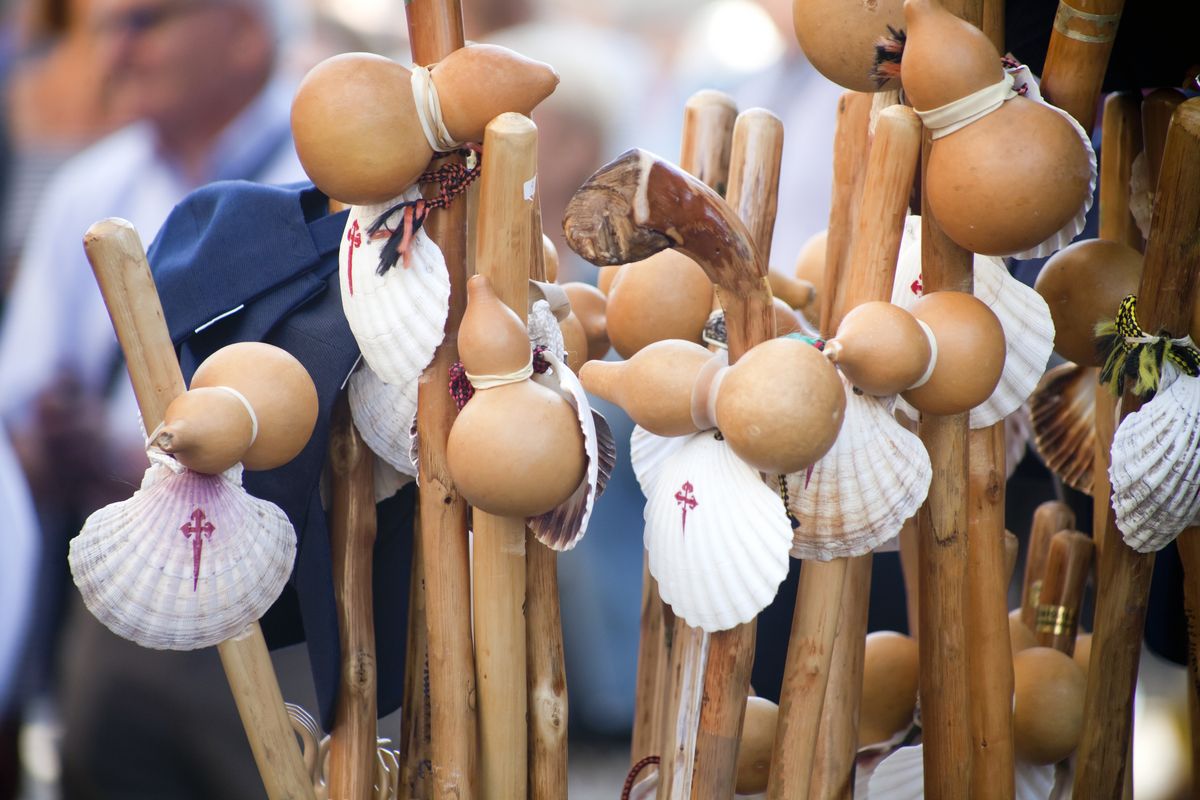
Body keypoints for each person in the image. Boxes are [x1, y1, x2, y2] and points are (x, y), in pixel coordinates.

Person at [0, 1, 313, 796]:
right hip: (125, 603)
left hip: (303, 611)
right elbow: (23, 398)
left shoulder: (332, 177)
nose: (116, 49)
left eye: (144, 21)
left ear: (244, 31)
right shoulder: (90, 188)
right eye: (102, 28)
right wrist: (55, 444)